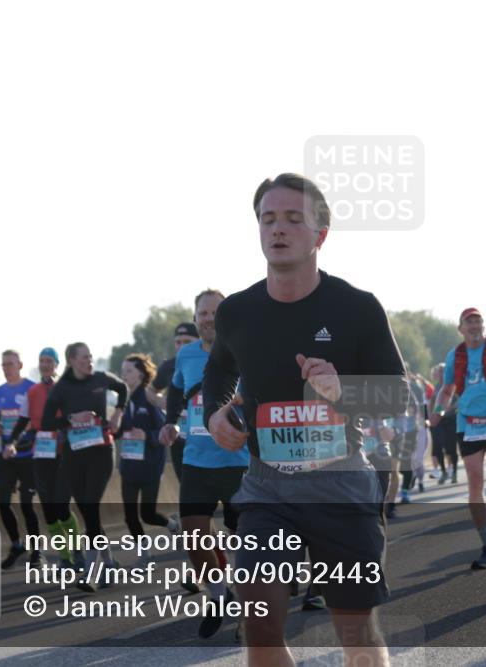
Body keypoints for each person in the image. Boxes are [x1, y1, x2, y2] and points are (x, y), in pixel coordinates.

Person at [203, 173, 408, 666]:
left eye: (294, 219)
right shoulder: (238, 312)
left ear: (320, 234)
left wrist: (344, 390)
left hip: (341, 485)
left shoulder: (356, 307)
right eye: (268, 218)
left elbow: (397, 396)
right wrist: (214, 416)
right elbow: (218, 373)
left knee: (356, 634)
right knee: (259, 631)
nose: (279, 229)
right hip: (266, 490)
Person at [162, 289, 251, 636]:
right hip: (196, 462)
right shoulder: (185, 355)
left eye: (215, 312)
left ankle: (250, 612)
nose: (208, 319)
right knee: (194, 538)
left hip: (238, 462)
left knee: (245, 543)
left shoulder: (243, 350)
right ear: (195, 317)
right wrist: (170, 421)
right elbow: (174, 390)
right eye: (202, 313)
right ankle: (217, 596)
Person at [432, 308, 486, 569]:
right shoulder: (455, 355)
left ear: (483, 325)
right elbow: (447, 390)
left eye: (478, 321)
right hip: (468, 423)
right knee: (475, 482)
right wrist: (438, 411)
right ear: (461, 329)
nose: (474, 326)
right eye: (469, 322)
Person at [41, 342, 127, 589]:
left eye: (90, 356)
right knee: (89, 513)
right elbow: (46, 422)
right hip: (74, 457)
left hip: (101, 452)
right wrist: (70, 418)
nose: (88, 361)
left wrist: (118, 413)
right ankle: (109, 563)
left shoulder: (100, 379)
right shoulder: (62, 389)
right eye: (83, 358)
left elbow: (122, 388)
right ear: (71, 361)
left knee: (90, 506)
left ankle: (90, 573)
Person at [9, 347, 81, 568]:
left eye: (49, 360)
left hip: (64, 454)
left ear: (57, 364)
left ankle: (77, 550)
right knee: (49, 510)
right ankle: (65, 557)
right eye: (42, 360)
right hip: (41, 455)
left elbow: (75, 417)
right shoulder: (33, 392)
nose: (45, 364)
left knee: (61, 506)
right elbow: (22, 420)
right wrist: (12, 441)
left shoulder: (65, 388)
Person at [117, 353, 179, 567]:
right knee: (130, 515)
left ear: (142, 374)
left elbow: (165, 430)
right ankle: (145, 553)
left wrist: (147, 436)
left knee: (148, 513)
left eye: (129, 371)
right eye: (122, 371)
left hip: (150, 466)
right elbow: (118, 430)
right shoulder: (121, 400)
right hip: (128, 466)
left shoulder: (149, 398)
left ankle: (172, 524)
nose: (124, 375)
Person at [0, 350, 40, 569]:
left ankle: (36, 551)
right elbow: (1, 419)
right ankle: (17, 544)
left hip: (28, 453)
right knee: (2, 502)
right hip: (7, 454)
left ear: (20, 365)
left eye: (10, 364)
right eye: (3, 365)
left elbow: (37, 420)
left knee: (27, 505)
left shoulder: (31, 388)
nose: (6, 368)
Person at [148, 322, 200, 482]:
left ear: (198, 341)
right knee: (187, 485)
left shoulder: (211, 359)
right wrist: (161, 400)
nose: (182, 346)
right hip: (180, 435)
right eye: (178, 342)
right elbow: (149, 390)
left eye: (187, 342)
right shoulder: (169, 366)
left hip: (208, 433)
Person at [429, 363, 460, 484]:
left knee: (451, 448)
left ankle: (455, 472)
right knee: (437, 447)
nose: (440, 373)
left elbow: (459, 400)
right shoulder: (436, 387)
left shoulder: (453, 385)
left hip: (451, 420)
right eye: (438, 371)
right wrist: (431, 415)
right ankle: (443, 472)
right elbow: (431, 403)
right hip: (438, 421)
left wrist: (450, 408)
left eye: (442, 371)